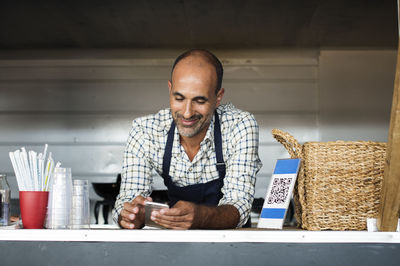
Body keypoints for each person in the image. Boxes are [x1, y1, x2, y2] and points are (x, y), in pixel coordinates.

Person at [112, 49, 262, 229]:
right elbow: (126, 201)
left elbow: (240, 204)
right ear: (170, 89)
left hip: (231, 247)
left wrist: (201, 217)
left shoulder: (239, 125)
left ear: (218, 97)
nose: (187, 112)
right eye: (179, 98)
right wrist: (130, 216)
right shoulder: (146, 131)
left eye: (200, 101)